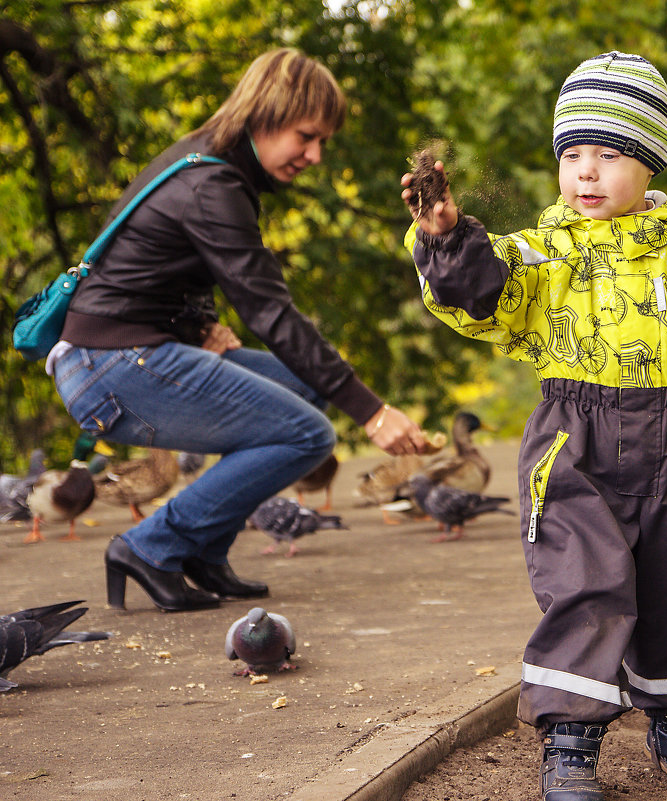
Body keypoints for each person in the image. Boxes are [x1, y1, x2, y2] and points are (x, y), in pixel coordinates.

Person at [401, 52, 667, 798]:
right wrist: (447, 238)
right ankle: (570, 738)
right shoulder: (543, 252)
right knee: (584, 585)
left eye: (610, 154)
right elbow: (482, 293)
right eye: (573, 154)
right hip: (572, 446)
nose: (586, 172)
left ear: (650, 164)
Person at [49, 48, 427, 613]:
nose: (316, 155)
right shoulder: (213, 185)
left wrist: (198, 325)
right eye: (307, 136)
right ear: (266, 112)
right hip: (110, 365)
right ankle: (152, 547)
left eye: (322, 141)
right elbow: (270, 313)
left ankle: (202, 549)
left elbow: (153, 266)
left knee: (303, 385)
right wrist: (372, 412)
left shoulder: (205, 161)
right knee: (309, 434)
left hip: (126, 352)